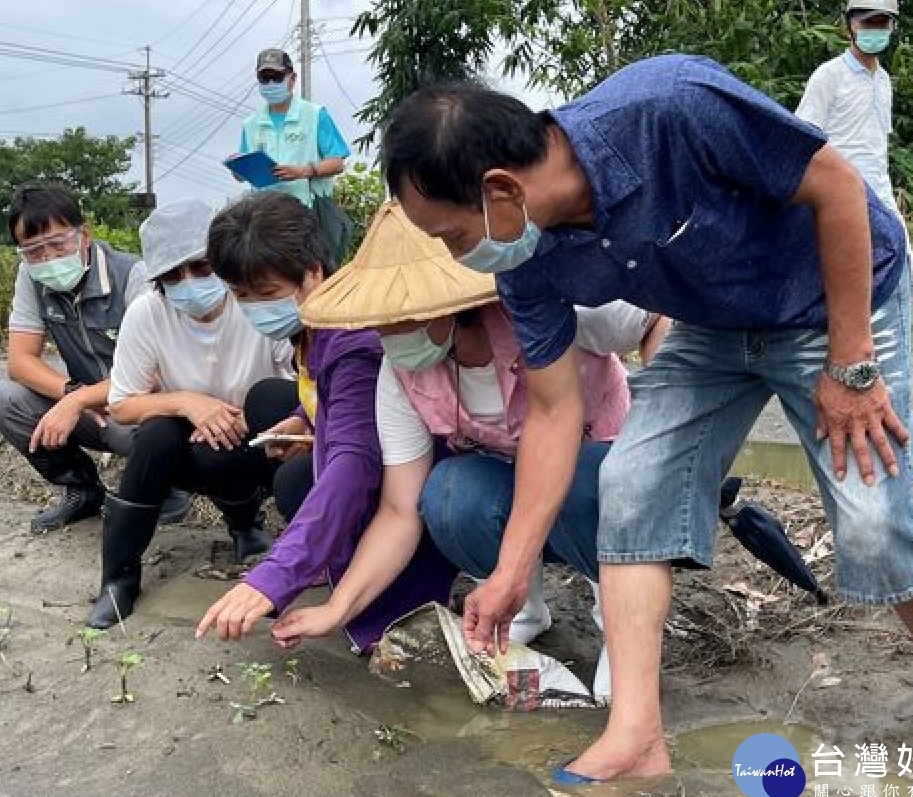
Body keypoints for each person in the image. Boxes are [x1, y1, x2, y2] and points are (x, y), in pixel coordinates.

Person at [379, 58, 913, 782]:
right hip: (712, 326)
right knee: (632, 481)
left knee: (874, 516)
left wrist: (850, 366)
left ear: (501, 190)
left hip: (834, 299)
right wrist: (508, 572)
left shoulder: (669, 107)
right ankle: (636, 734)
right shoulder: (526, 264)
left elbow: (838, 188)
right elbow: (557, 409)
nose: (455, 254)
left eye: (449, 234)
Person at [271, 201, 665, 700]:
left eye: (406, 318)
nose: (392, 335)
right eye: (383, 322)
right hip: (511, 482)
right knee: (447, 493)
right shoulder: (402, 372)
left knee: (588, 477)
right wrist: (338, 608)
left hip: (598, 469)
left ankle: (619, 621)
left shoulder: (545, 305)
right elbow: (398, 510)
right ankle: (521, 609)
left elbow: (652, 321)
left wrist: (662, 424)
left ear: (450, 306)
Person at [195, 192, 454, 653]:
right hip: (386, 458)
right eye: (241, 295)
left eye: (267, 294)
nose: (254, 307)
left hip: (417, 474)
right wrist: (304, 419)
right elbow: (335, 407)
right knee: (292, 462)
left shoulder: (352, 341)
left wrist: (276, 575)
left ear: (313, 272)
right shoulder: (314, 327)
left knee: (384, 618)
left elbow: (354, 467)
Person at [87, 199, 297, 628]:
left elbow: (297, 391)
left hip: (259, 439)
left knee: (264, 401)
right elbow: (123, 403)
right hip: (187, 443)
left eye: (201, 268)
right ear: (157, 281)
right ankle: (119, 575)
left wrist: (237, 418)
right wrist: (188, 403)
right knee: (157, 433)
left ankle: (246, 525)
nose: (189, 283)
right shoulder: (148, 313)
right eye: (172, 276)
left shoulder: (256, 303)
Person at [0, 182, 189, 534]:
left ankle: (168, 489)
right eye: (33, 250)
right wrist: (72, 394)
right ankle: (82, 490)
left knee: (141, 427)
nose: (47, 258)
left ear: (84, 234)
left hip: (142, 405)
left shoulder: (133, 275)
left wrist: (79, 398)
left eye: (57, 243)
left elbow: (154, 374)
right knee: (7, 400)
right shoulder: (30, 279)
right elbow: (20, 361)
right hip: (92, 408)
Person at [797, 0, 913, 308]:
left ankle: (891, 359)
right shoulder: (829, 76)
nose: (874, 30)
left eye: (882, 23)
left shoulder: (883, 81)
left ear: (893, 27)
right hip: (840, 197)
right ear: (850, 25)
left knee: (907, 278)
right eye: (867, 22)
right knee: (842, 289)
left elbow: (877, 147)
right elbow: (803, 139)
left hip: (881, 195)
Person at [232, 48, 350, 211]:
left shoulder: (316, 115)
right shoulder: (250, 124)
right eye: (264, 78)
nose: (271, 83)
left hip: (306, 212)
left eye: (277, 76)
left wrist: (304, 171)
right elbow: (242, 175)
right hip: (264, 215)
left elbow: (337, 163)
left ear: (292, 78)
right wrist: (237, 169)